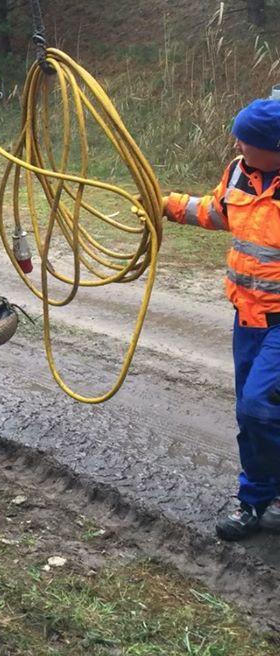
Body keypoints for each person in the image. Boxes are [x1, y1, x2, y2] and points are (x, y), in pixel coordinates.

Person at [164, 98, 280, 541]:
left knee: (259, 408)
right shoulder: (238, 172)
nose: (237, 145)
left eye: (245, 140)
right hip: (247, 320)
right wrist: (164, 204)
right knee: (251, 415)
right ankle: (255, 502)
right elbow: (215, 211)